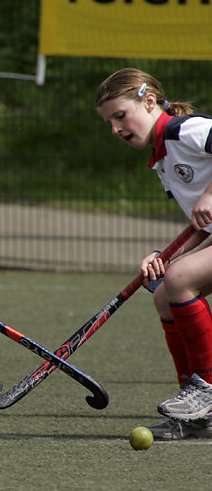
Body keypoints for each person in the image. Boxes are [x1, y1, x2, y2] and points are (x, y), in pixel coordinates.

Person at [96, 67, 212, 441]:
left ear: (149, 102)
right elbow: (201, 224)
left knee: (179, 279)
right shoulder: (163, 160)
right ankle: (194, 409)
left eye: (120, 116)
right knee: (165, 291)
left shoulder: (187, 131)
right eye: (109, 123)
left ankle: (208, 392)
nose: (115, 129)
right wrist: (165, 253)